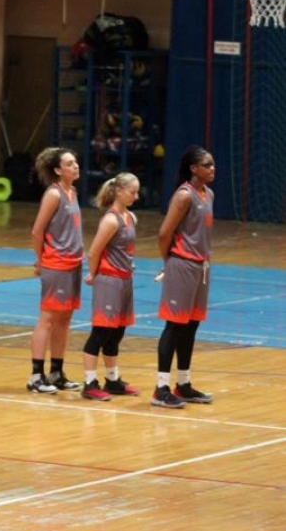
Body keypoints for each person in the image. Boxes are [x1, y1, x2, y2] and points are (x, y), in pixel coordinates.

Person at [151, 146, 216, 409]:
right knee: (175, 326)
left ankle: (184, 384)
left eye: (212, 164)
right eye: (207, 165)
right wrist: (169, 261)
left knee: (191, 326)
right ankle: (161, 389)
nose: (212, 169)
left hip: (202, 266)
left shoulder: (208, 194)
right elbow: (164, 233)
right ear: (193, 168)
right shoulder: (183, 195)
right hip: (182, 264)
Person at [80, 172, 142, 401]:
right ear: (119, 191)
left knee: (117, 333)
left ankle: (113, 380)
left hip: (125, 279)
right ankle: (89, 383)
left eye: (137, 192)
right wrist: (94, 274)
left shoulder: (130, 217)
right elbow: (94, 252)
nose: (136, 196)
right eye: (132, 192)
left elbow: (122, 249)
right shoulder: (110, 220)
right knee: (101, 332)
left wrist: (128, 264)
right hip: (109, 280)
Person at [28, 147, 83, 394]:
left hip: (74, 263)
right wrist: (40, 260)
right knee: (48, 318)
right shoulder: (53, 194)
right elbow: (37, 231)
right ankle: (35, 376)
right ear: (58, 170)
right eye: (69, 163)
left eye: (75, 162)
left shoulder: (72, 191)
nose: (75, 166)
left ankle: (56, 372)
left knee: (64, 319)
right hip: (56, 263)